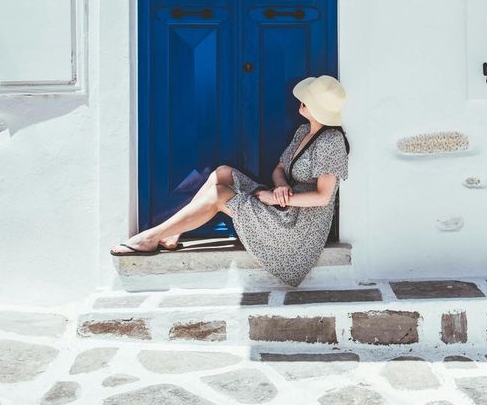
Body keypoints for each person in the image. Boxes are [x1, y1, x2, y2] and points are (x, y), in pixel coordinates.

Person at [111, 75, 349, 287]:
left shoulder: (331, 141)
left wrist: (271, 197)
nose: (302, 102)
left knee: (219, 194)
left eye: (307, 99)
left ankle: (150, 238)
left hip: (297, 230)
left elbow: (323, 197)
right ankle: (173, 235)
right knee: (223, 172)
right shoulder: (303, 132)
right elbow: (279, 168)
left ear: (316, 107)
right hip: (283, 204)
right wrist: (282, 186)